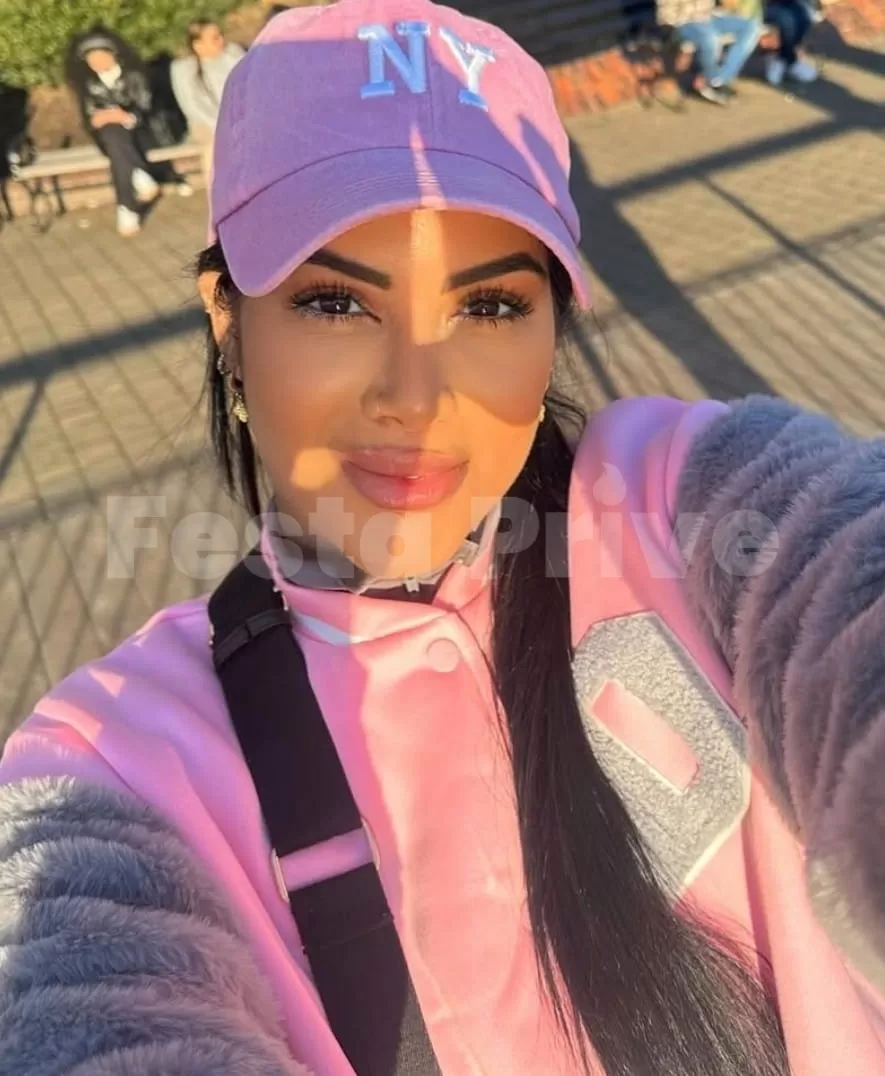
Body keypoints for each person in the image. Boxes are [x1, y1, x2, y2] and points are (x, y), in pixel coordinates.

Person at [2, 2, 885, 1074]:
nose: (416, 399)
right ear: (227, 317)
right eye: (336, 302)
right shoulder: (119, 754)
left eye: (490, 307)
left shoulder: (695, 506)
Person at [65, 28, 193, 237]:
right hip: (111, 139)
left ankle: (133, 194)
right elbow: (89, 117)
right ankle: (132, 194)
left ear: (112, 54)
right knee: (113, 134)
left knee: (115, 139)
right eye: (91, 59)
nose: (96, 63)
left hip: (143, 134)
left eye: (100, 57)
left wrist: (126, 117)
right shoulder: (88, 84)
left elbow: (147, 108)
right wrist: (97, 120)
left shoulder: (135, 75)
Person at [170, 19, 244, 182]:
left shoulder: (232, 54)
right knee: (213, 145)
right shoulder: (182, 69)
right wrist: (222, 126)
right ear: (198, 45)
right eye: (214, 38)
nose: (221, 40)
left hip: (239, 118)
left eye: (220, 35)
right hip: (205, 123)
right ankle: (217, 191)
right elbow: (192, 107)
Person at [658, 0, 763, 104]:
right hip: (682, 23)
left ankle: (719, 79)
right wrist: (686, 46)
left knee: (751, 26)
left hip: (708, 18)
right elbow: (666, 17)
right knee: (710, 38)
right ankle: (710, 81)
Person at [763, 0, 819, 84]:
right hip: (761, 6)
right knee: (787, 21)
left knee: (805, 18)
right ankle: (784, 60)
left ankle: (785, 60)